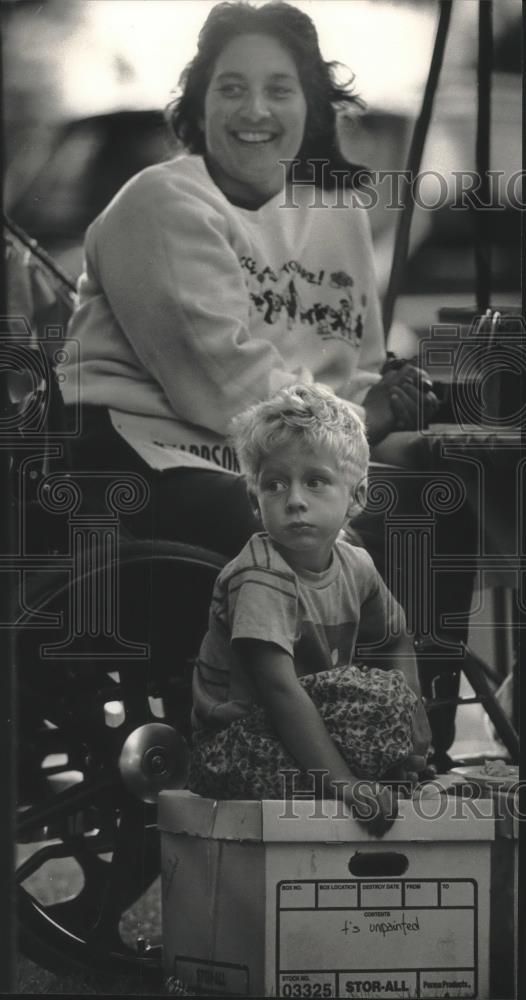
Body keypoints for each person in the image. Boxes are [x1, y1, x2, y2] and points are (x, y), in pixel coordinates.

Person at [59, 0, 473, 768]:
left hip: (298, 451)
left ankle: (415, 744)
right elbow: (223, 385)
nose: (256, 110)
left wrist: (398, 402)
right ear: (199, 103)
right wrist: (362, 419)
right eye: (231, 88)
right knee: (278, 525)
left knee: (438, 479)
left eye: (280, 89)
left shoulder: (335, 209)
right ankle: (300, 752)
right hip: (147, 450)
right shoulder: (161, 203)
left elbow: (355, 362)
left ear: (312, 104)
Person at [188, 383, 431, 834]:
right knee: (372, 699)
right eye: (275, 485)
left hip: (301, 724)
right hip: (237, 746)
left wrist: (414, 722)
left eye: (315, 481)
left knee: (388, 695)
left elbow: (397, 635)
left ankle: (367, 778)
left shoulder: (355, 564)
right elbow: (278, 690)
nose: (294, 500)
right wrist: (346, 786)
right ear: (255, 502)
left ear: (355, 497)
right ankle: (345, 784)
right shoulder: (259, 573)